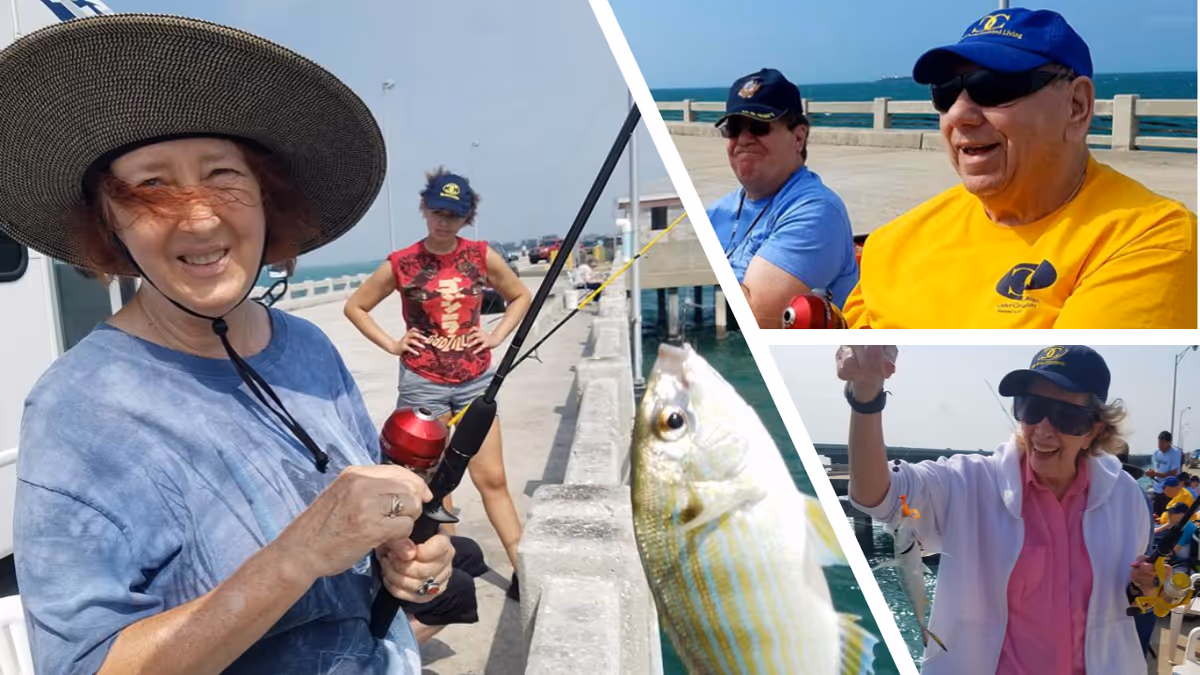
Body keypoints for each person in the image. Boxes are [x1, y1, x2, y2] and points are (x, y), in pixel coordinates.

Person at [0, 14, 459, 674]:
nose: (200, 216)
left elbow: (374, 546)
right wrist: (296, 555)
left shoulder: (306, 346)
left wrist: (414, 561)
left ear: (268, 199)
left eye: (223, 175)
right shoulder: (77, 408)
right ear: (109, 223)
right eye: (150, 186)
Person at [842, 8, 1197, 328]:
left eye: (994, 86)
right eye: (945, 92)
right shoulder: (891, 245)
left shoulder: (1149, 238)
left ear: (1076, 106)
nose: (958, 114)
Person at [839, 344, 1153, 674]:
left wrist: (1142, 588)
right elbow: (877, 496)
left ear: (1095, 430)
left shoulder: (1126, 496)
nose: (1043, 429)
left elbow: (1122, 593)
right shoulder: (968, 482)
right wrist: (866, 396)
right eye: (1031, 408)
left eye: (1066, 417)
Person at [345, 169, 531, 599]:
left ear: (467, 217)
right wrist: (393, 344)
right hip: (422, 385)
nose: (444, 221)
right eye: (437, 211)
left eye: (454, 214)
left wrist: (496, 334)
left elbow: (520, 295)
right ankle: (441, 576)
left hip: (473, 382)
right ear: (424, 209)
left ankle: (524, 568)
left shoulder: (481, 256)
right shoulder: (402, 262)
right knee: (432, 489)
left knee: (493, 479)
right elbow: (356, 306)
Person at [705, 68, 859, 328]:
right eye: (733, 128)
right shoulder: (716, 212)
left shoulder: (817, 212)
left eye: (758, 126)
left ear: (798, 137)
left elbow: (758, 317)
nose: (743, 139)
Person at [1148, 430, 1183, 515]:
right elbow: (1157, 468)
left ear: (1169, 443)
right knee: (1155, 516)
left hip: (1168, 491)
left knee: (1165, 516)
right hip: (1157, 489)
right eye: (1159, 443)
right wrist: (1151, 472)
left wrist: (1155, 474)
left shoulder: (1175, 453)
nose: (1160, 446)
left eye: (1163, 443)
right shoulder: (1156, 453)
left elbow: (1173, 474)